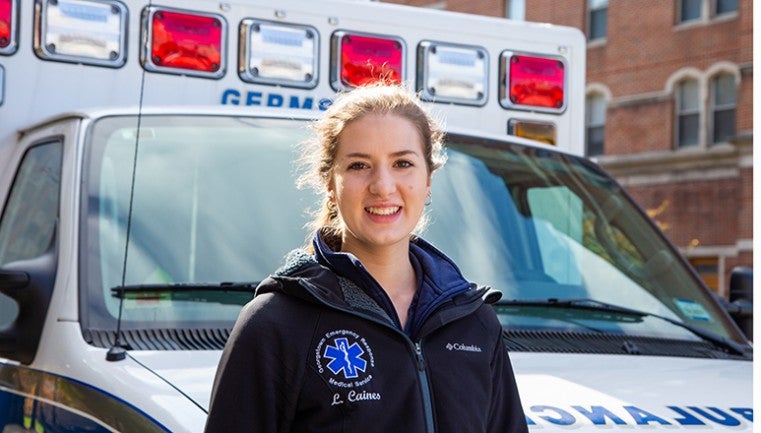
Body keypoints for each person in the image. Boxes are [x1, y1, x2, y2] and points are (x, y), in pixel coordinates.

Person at [204, 84, 528, 433]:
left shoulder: (475, 322)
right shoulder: (274, 324)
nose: (383, 186)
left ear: (428, 178)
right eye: (359, 165)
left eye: (403, 163)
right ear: (330, 181)